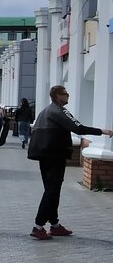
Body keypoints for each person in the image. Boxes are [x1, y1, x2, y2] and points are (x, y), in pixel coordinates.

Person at [27, 85, 113, 239]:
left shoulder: (47, 110)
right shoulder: (59, 110)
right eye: (65, 94)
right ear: (58, 96)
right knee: (52, 190)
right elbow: (78, 128)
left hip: (44, 154)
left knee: (52, 190)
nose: (68, 96)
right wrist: (103, 131)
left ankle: (55, 225)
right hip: (54, 155)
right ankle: (38, 226)